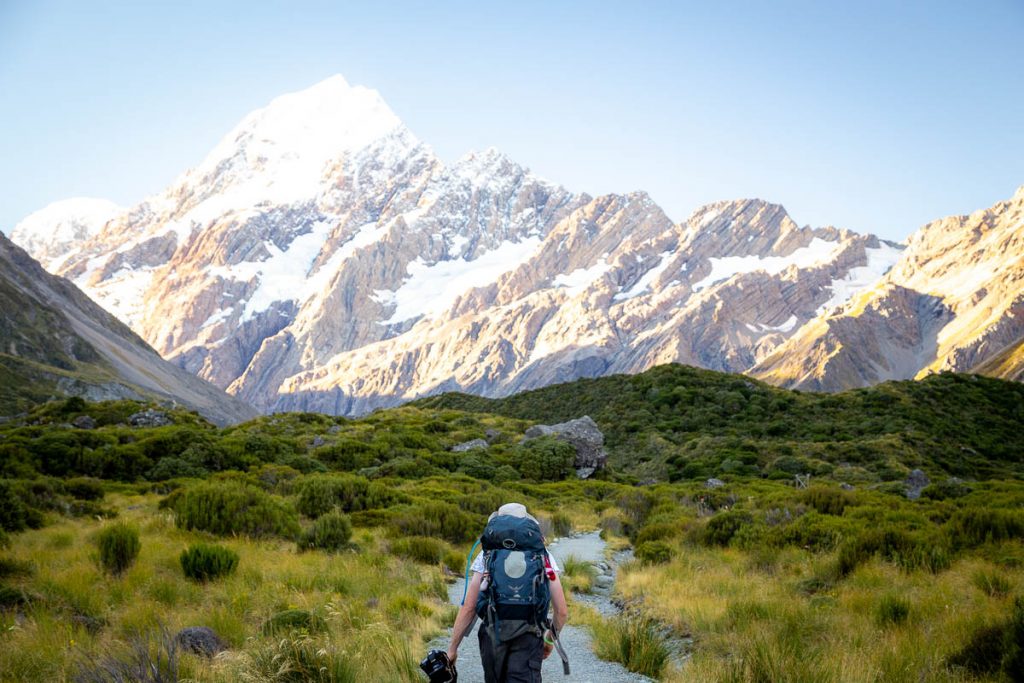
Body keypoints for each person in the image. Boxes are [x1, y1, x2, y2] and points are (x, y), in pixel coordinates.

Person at [447, 502, 569, 683]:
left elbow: (469, 607)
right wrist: (549, 640)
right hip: (530, 635)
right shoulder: (543, 556)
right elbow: (562, 611)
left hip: (492, 635)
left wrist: (452, 649)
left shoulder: (486, 556)